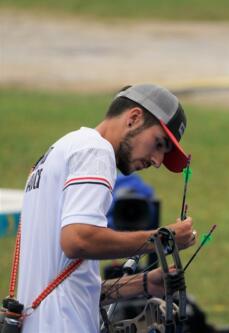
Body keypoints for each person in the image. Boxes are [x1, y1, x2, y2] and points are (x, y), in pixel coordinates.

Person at [17, 84, 197, 332]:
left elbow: (68, 286)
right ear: (134, 118)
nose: (157, 161)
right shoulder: (96, 151)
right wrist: (165, 239)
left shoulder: (60, 151)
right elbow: (78, 240)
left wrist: (144, 283)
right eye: (159, 143)